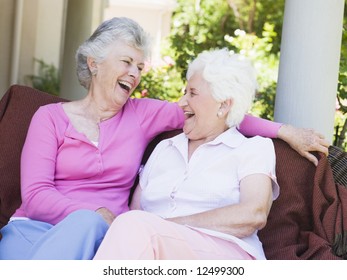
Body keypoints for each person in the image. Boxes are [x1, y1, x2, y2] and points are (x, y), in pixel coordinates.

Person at [0, 17, 328, 260]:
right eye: (127, 62)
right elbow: (36, 194)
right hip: (38, 227)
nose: (135, 73)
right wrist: (93, 214)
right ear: (94, 63)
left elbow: (220, 111)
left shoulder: (143, 114)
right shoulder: (50, 118)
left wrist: (284, 131)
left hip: (102, 237)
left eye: (140, 67)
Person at [94, 48, 278, 260]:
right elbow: (135, 212)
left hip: (225, 256)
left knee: (133, 226)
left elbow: (253, 214)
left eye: (192, 93)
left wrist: (164, 227)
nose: (181, 102)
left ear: (224, 105)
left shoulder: (253, 149)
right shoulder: (165, 148)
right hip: (158, 252)